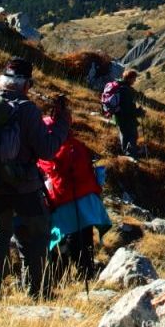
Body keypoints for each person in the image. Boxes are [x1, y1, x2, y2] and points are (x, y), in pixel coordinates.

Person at [0, 57, 70, 308]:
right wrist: (62, 124)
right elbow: (47, 150)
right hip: (24, 187)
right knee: (36, 237)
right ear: (26, 84)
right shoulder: (26, 109)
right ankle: (36, 293)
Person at [37, 120, 111, 285]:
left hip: (62, 204)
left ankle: (62, 276)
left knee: (64, 240)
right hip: (86, 201)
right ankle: (87, 271)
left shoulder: (45, 154)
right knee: (85, 236)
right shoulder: (76, 145)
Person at [114, 70, 145, 158]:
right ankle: (132, 157)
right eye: (134, 79)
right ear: (129, 78)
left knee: (124, 137)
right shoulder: (125, 90)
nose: (134, 81)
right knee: (131, 137)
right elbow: (128, 110)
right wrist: (139, 112)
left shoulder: (120, 87)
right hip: (127, 120)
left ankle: (127, 155)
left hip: (120, 119)